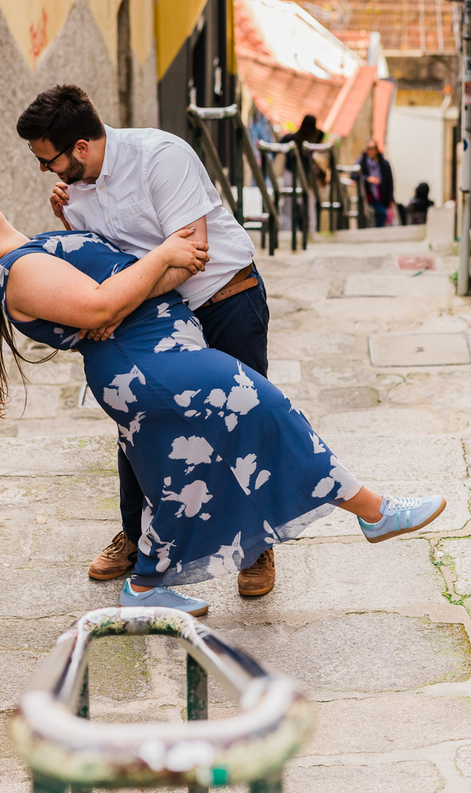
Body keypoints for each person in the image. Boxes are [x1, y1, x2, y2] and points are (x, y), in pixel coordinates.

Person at [0, 205, 448, 615]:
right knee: (268, 409)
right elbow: (101, 305)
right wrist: (163, 257)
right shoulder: (18, 270)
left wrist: (114, 269)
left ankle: (145, 585)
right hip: (147, 364)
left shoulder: (33, 252)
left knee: (181, 478)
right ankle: (374, 511)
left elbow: (109, 291)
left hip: (152, 355)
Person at [17, 85, 278, 598]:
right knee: (138, 421)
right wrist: (68, 223)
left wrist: (116, 307)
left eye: (49, 160)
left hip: (224, 299)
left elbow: (192, 256)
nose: (47, 171)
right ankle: (136, 540)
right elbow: (107, 260)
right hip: (159, 315)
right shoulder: (75, 190)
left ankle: (256, 546)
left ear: (81, 147)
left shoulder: (160, 157)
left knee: (243, 421)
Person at [354, 139, 394, 227]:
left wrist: (391, 198)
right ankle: (376, 231)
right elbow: (353, 175)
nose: (371, 151)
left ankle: (377, 230)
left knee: (382, 215)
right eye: (369, 148)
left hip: (382, 195)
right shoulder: (361, 162)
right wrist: (367, 179)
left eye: (373, 148)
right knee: (380, 213)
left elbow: (390, 181)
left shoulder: (384, 163)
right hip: (368, 195)